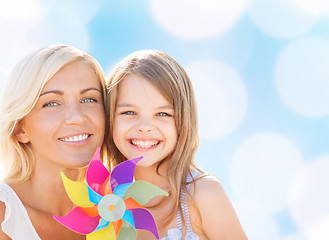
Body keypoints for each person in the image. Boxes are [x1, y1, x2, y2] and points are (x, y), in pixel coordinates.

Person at [105, 50, 247, 240]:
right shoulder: (102, 204)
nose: (145, 127)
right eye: (129, 112)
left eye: (163, 114)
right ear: (109, 118)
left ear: (183, 120)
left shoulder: (203, 194)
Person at [0, 45, 106, 240]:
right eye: (51, 103)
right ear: (20, 129)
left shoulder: (115, 214)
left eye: (89, 99)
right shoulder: (5, 213)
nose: (77, 117)